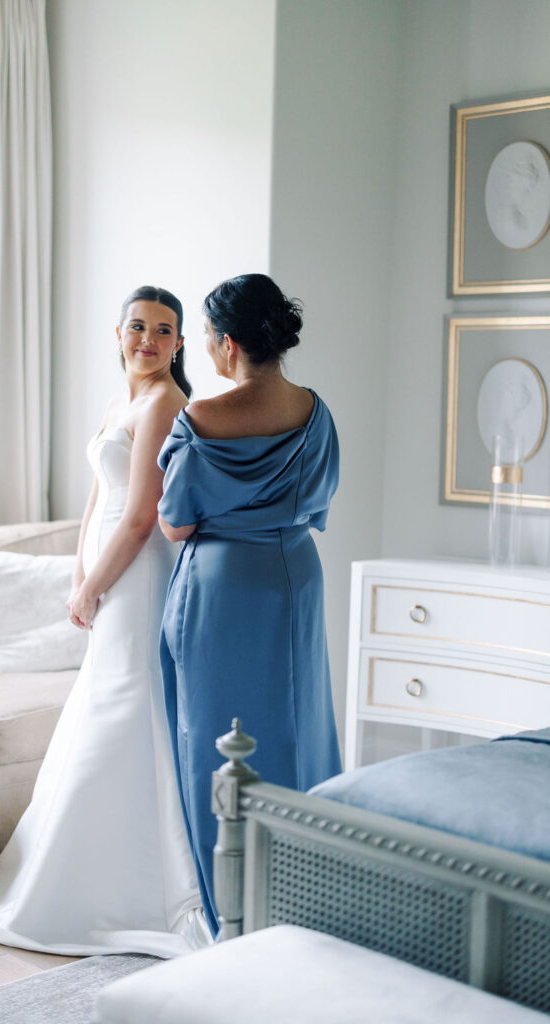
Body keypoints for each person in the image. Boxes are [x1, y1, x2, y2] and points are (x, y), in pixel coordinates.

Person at [0, 286, 211, 957]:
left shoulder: (166, 402)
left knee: (123, 704)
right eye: (137, 327)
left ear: (178, 345)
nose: (148, 340)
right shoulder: (122, 401)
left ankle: (129, 887)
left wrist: (96, 589)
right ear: (117, 333)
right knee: (108, 706)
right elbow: (97, 496)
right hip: (106, 573)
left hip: (137, 580)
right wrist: (76, 575)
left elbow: (141, 516)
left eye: (163, 331)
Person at [157, 273, 342, 937]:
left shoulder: (200, 420)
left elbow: (175, 522)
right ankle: (310, 895)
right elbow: (318, 502)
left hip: (223, 585)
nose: (207, 350)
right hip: (293, 573)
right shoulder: (314, 411)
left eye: (207, 338)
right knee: (299, 724)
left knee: (216, 738)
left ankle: (230, 910)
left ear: (228, 344)